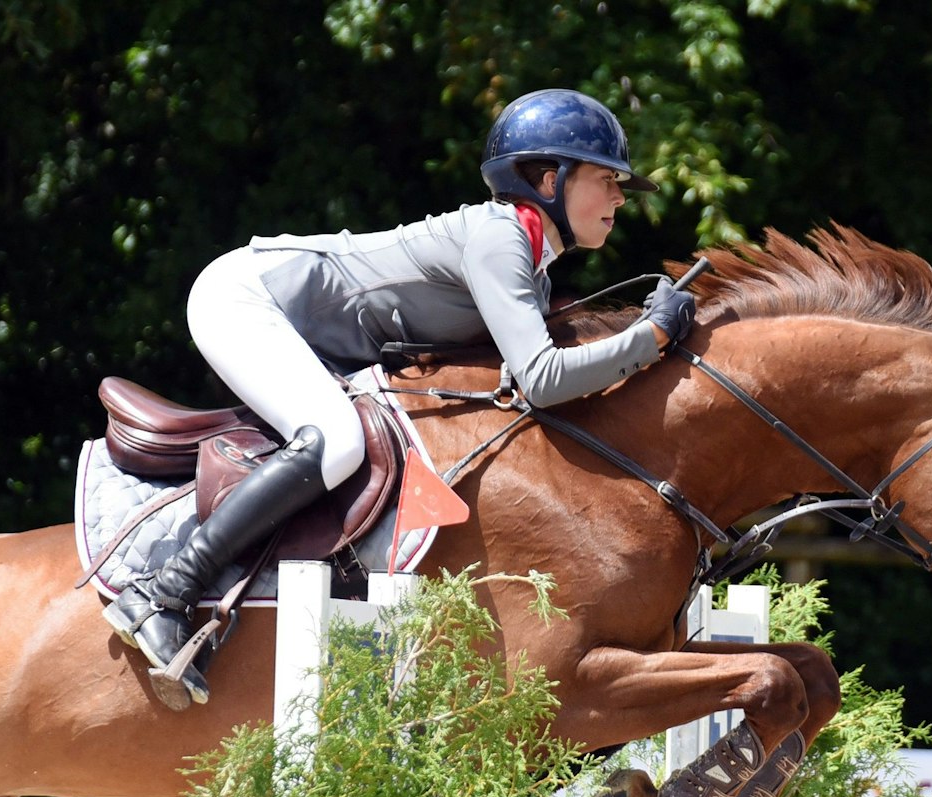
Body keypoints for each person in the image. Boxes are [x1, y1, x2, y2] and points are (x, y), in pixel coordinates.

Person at [105, 87, 698, 706]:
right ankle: (164, 589)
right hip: (249, 298)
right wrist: (650, 336)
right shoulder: (501, 238)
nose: (620, 197)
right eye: (607, 180)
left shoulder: (525, 249)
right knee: (335, 441)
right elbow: (543, 380)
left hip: (300, 322)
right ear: (549, 178)